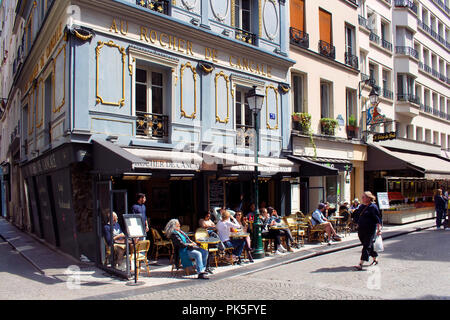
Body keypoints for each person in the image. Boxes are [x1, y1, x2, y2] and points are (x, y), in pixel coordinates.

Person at [353, 191, 382, 271]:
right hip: (361, 229)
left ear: (369, 198)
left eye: (363, 197)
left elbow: (378, 219)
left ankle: (360, 264)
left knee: (366, 246)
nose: (362, 198)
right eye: (362, 197)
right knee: (368, 245)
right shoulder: (361, 206)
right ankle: (375, 258)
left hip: (370, 229)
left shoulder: (373, 207)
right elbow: (357, 215)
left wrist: (379, 229)